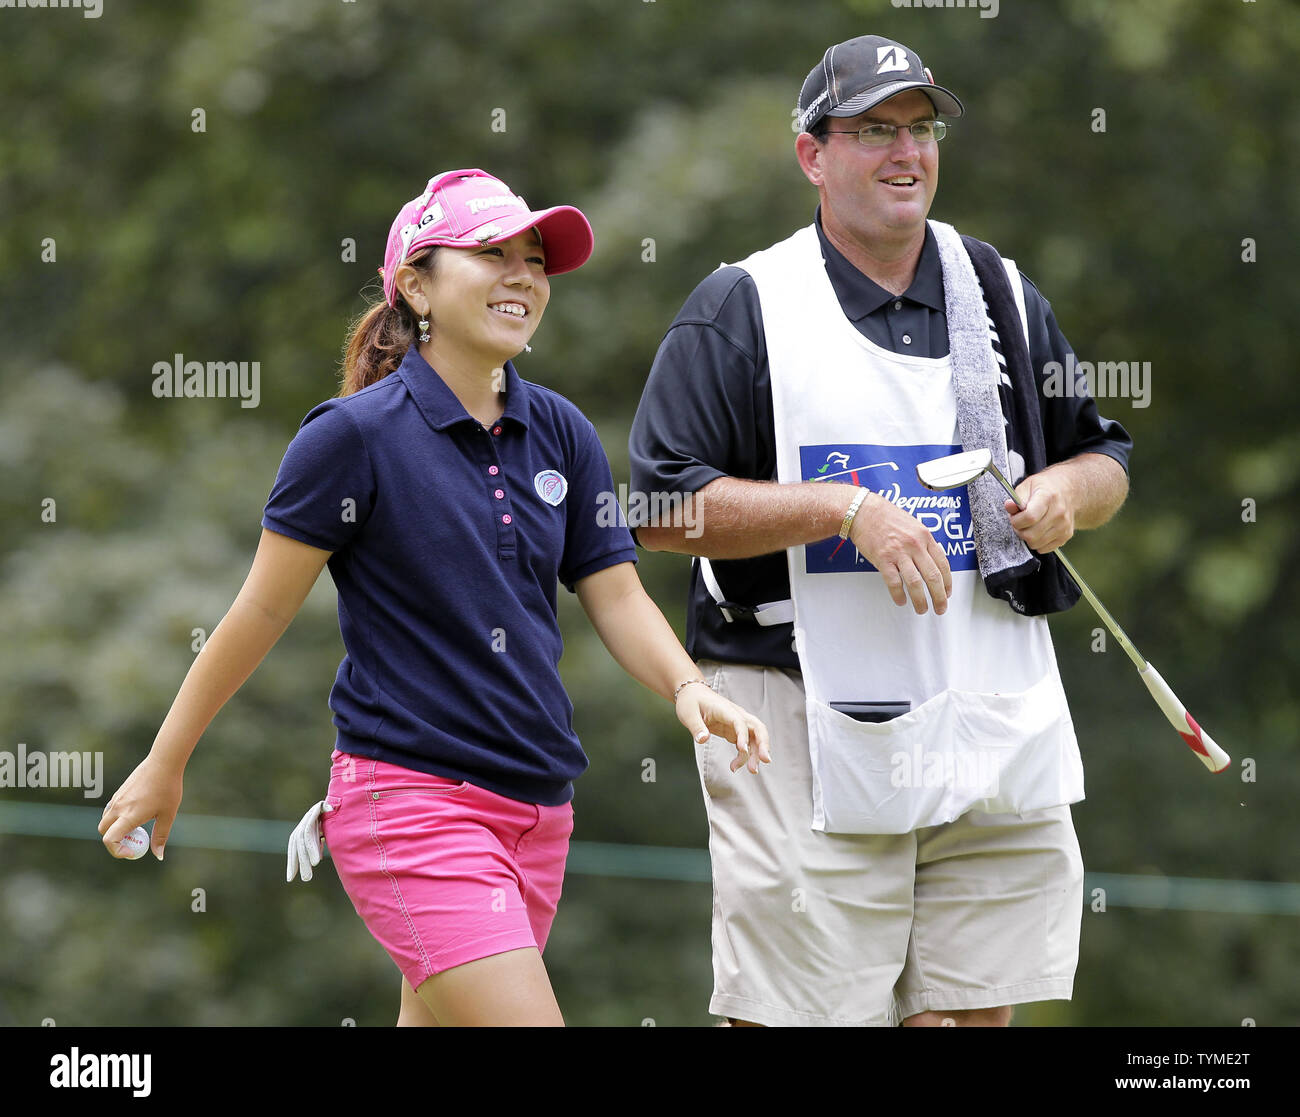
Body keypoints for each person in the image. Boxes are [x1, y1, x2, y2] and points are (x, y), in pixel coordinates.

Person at [99, 168, 770, 1027]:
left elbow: (615, 592)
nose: (523, 274)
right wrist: (166, 759)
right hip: (412, 803)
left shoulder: (561, 430)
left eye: (535, 258)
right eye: (492, 253)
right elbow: (257, 613)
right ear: (416, 283)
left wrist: (690, 687)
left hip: (538, 811)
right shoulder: (349, 438)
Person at [628, 35, 1134, 1027]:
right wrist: (838, 509)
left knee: (973, 1010)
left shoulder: (1003, 297)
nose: (906, 152)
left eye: (919, 128)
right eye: (872, 131)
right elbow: (657, 508)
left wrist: (1068, 493)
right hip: (792, 707)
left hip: (983, 690)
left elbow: (1105, 457)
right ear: (813, 155)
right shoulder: (743, 306)